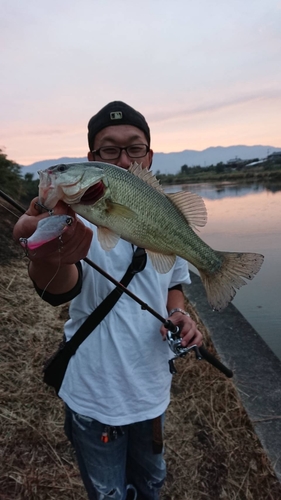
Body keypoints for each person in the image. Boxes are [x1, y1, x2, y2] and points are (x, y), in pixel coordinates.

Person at [13, 101, 203, 500]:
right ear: (92, 160)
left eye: (135, 148)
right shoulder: (75, 217)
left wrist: (179, 312)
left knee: (151, 482)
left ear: (149, 156)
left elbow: (174, 282)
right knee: (107, 493)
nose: (124, 158)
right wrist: (48, 253)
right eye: (109, 149)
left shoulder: (165, 212)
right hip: (93, 393)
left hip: (152, 388)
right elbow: (59, 287)